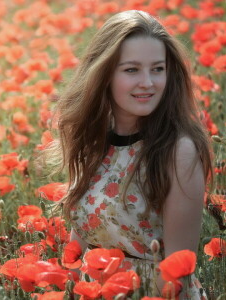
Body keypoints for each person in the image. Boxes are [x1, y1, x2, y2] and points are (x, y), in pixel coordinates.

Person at [49, 10, 212, 299]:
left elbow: (177, 270)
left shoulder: (178, 152)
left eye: (158, 69)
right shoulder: (93, 143)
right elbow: (79, 244)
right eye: (132, 70)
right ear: (104, 74)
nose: (148, 82)